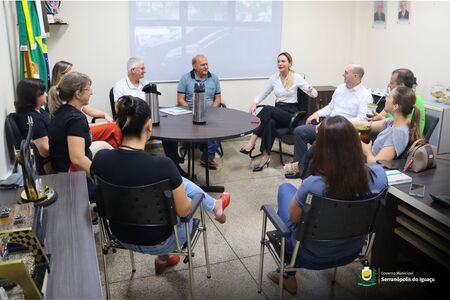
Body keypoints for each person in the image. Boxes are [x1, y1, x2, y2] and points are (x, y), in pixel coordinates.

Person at [90, 96, 231, 275]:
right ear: (149, 125)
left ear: (118, 125)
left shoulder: (100, 160)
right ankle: (213, 206)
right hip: (163, 241)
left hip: (119, 237)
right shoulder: (162, 165)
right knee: (176, 194)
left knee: (169, 187)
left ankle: (164, 258)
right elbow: (185, 212)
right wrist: (190, 199)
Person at [267, 116, 388, 294]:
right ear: (355, 143)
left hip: (308, 254)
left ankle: (288, 274)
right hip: (353, 250)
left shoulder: (312, 184)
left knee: (285, 189)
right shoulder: (379, 177)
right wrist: (369, 154)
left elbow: (293, 219)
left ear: (321, 148)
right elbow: (374, 166)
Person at [284, 64, 372, 178]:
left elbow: (361, 119)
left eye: (346, 72)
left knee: (323, 137)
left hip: (344, 131)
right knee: (300, 131)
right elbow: (330, 107)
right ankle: (299, 167)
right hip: (327, 125)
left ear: (355, 76)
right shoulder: (340, 88)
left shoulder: (365, 95)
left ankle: (301, 168)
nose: (343, 74)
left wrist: (330, 124)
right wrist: (317, 113)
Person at [239, 52, 318, 172]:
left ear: (289, 63)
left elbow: (314, 94)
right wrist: (254, 102)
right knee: (270, 122)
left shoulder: (296, 77)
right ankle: (265, 157)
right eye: (278, 61)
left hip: (291, 114)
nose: (280, 64)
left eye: (283, 61)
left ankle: (253, 139)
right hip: (278, 111)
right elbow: (263, 94)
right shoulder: (274, 78)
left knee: (267, 109)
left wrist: (311, 90)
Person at [163, 54, 222, 169]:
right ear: (194, 66)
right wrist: (193, 112)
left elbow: (218, 99)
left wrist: (213, 110)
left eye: (207, 64)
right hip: (189, 114)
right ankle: (176, 156)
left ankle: (206, 157)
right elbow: (180, 100)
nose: (206, 67)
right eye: (202, 65)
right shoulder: (185, 78)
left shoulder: (214, 78)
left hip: (210, 113)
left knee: (218, 129)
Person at [48, 61, 122, 148]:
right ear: (62, 75)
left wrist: (104, 114)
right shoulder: (60, 94)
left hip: (79, 127)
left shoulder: (67, 97)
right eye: (72, 74)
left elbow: (87, 108)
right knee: (113, 128)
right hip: (75, 130)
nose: (91, 93)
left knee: (111, 142)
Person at [353, 86, 421, 164]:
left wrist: (367, 151)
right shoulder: (393, 122)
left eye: (389, 97)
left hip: (370, 169)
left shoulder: (399, 133)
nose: (386, 99)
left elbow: (377, 164)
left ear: (396, 106)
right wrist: (342, 123)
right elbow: (365, 125)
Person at [369, 68, 425, 134]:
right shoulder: (397, 97)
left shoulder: (411, 100)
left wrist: (382, 119)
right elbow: (382, 115)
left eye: (391, 83)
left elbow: (400, 126)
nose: (389, 85)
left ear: (401, 86)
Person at [14, 78, 51, 174]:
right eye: (43, 92)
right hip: (51, 163)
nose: (46, 94)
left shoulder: (39, 111)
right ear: (33, 96)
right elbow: (45, 150)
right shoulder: (31, 118)